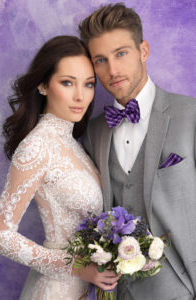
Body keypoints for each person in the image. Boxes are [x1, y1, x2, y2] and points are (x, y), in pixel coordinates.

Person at [0, 35, 120, 300]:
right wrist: (76, 266)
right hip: (55, 291)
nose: (80, 96)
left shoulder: (72, 142)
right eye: (67, 83)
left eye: (89, 84)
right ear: (44, 85)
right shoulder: (37, 147)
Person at [79, 3, 196, 300]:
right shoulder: (93, 133)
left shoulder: (190, 114)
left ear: (143, 50)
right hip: (118, 292)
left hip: (181, 286)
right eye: (100, 60)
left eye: (121, 53)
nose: (113, 70)